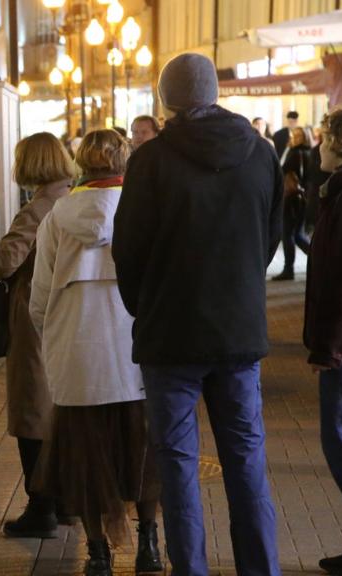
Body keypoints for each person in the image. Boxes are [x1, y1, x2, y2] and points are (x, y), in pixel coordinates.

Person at [113, 53, 282, 576]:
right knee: (247, 459)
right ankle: (261, 567)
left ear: (167, 99)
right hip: (238, 332)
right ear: (214, 93)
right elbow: (270, 237)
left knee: (178, 467)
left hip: (170, 336)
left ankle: (190, 568)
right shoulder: (260, 153)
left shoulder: (150, 160)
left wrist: (147, 306)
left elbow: (129, 250)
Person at [30, 129, 161, 576]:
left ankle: (98, 554)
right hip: (134, 347)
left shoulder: (57, 216)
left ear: (81, 164)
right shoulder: (144, 210)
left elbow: (39, 296)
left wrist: (50, 339)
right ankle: (149, 545)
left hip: (76, 348)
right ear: (125, 162)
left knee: (85, 458)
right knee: (142, 451)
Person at [0, 133, 74, 538]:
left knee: (32, 411)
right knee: (61, 411)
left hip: (34, 314)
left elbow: (6, 261)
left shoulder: (38, 207)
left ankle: (40, 508)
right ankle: (66, 500)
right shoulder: (74, 198)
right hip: (70, 312)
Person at [304, 107, 342, 576]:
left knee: (338, 439)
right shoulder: (336, 194)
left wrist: (327, 348)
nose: (319, 148)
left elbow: (340, 281)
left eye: (323, 140)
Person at [273, 126, 313, 281]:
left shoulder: (295, 153)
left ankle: (288, 269)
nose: (295, 137)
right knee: (297, 234)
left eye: (298, 135)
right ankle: (319, 260)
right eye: (294, 134)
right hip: (301, 198)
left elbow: (284, 172)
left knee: (288, 233)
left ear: (304, 137)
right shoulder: (310, 152)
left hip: (291, 198)